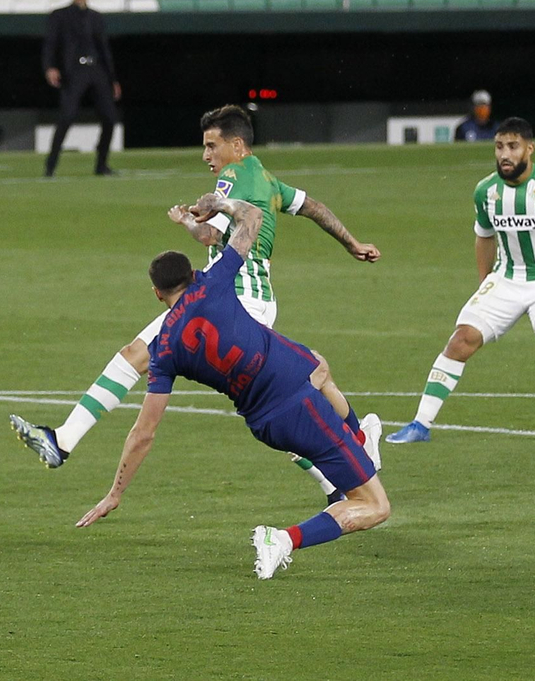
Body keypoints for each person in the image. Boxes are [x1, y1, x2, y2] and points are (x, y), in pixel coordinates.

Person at [12, 105, 381, 505]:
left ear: (236, 146)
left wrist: (188, 222)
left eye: (211, 145)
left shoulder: (233, 176)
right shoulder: (267, 179)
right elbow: (314, 208)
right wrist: (352, 243)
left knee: (139, 357)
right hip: (252, 302)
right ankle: (341, 474)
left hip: (228, 300)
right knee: (270, 403)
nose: (206, 155)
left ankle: (63, 441)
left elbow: (208, 236)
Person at [71, 194, 389, 579]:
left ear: (157, 295)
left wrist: (116, 493)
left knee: (320, 365)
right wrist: (217, 203)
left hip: (267, 416)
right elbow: (252, 217)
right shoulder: (214, 282)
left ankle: (359, 437)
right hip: (295, 401)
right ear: (193, 274)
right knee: (374, 506)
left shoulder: (165, 348)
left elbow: (144, 432)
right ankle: (284, 539)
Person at [386, 117, 535, 445]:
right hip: (505, 279)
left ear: (529, 149)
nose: (505, 154)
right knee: (460, 340)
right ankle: (420, 424)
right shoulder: (486, 190)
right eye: (499, 146)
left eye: (513, 146)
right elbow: (484, 237)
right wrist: (483, 282)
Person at [41, 0, 120, 177]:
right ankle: (51, 165)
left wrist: (112, 79)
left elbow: (104, 49)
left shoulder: (96, 17)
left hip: (97, 70)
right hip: (74, 71)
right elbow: (50, 44)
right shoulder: (59, 16)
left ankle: (101, 165)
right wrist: (50, 67)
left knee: (109, 118)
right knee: (66, 116)